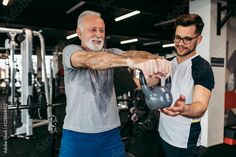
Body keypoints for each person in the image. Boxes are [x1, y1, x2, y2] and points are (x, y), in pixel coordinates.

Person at [59, 10, 171, 157]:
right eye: (93, 30)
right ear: (79, 33)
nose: (98, 34)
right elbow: (90, 60)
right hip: (78, 135)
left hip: (110, 135)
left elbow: (133, 54)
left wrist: (155, 60)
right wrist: (131, 63)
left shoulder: (111, 52)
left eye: (101, 30)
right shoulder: (71, 51)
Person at [158, 13, 215, 157]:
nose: (181, 43)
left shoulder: (201, 67)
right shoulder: (168, 63)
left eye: (187, 39)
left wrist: (183, 109)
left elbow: (200, 106)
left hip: (184, 143)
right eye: (177, 37)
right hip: (162, 133)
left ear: (199, 39)